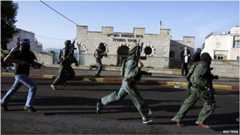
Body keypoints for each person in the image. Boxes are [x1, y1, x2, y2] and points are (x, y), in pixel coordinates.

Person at [96, 43, 152, 124]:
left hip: (126, 83)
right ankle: (145, 117)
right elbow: (129, 74)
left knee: (118, 97)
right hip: (129, 83)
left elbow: (132, 72)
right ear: (135, 51)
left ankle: (101, 102)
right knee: (137, 99)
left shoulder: (132, 59)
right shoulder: (132, 61)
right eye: (139, 50)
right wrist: (139, 68)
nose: (140, 52)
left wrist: (145, 72)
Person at [171, 52, 218, 128]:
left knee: (187, 104)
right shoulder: (203, 65)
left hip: (194, 88)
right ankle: (200, 121)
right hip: (200, 89)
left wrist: (213, 77)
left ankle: (178, 119)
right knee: (210, 104)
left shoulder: (197, 64)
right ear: (207, 59)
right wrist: (206, 87)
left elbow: (203, 75)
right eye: (209, 58)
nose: (210, 60)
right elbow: (197, 78)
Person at [1, 39, 42, 112]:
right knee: (33, 86)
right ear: (20, 44)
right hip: (19, 74)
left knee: (13, 89)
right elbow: (5, 60)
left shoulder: (30, 53)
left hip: (25, 74)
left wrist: (37, 65)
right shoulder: (16, 51)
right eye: (22, 45)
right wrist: (18, 61)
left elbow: (32, 63)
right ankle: (28, 105)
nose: (23, 46)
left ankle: (3, 102)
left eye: (25, 45)